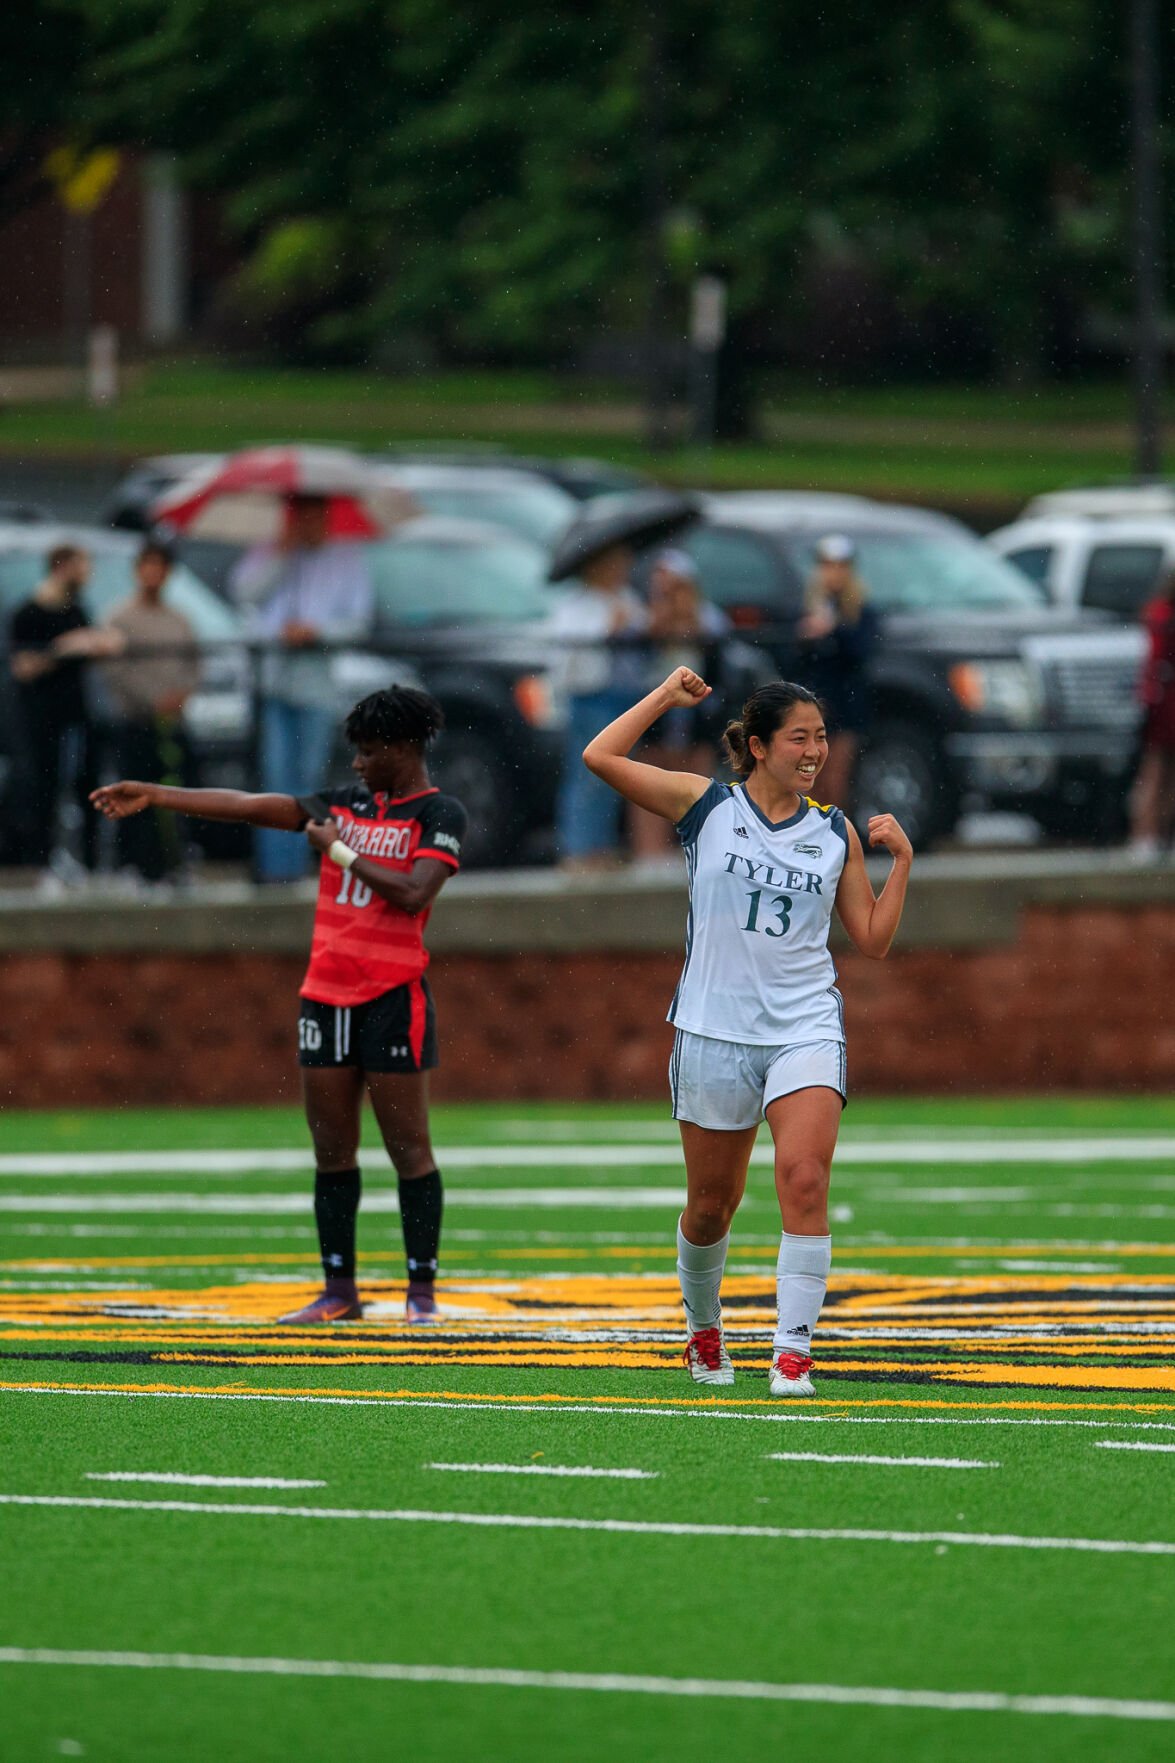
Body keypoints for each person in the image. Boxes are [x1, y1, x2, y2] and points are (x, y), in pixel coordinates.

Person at [92, 686, 467, 1325]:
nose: (357, 765)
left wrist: (340, 851)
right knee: (331, 1152)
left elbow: (412, 893)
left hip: (392, 997)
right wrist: (158, 794)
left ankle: (421, 1294)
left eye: (370, 752)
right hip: (324, 997)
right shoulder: (343, 804)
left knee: (409, 1150)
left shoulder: (440, 813)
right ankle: (339, 1291)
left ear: (404, 750)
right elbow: (249, 807)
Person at [583, 671, 912, 1396]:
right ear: (757, 745)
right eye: (800, 736)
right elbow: (599, 756)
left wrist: (903, 865)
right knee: (710, 1206)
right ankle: (703, 1329)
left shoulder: (833, 831)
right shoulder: (705, 804)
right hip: (712, 1029)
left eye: (821, 736)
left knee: (804, 1178)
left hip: (804, 1026)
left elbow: (872, 938)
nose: (815, 749)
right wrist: (664, 700)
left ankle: (792, 1352)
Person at [230, 493, 375, 882]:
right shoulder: (273, 551)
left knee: (307, 778)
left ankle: (296, 868)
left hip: (315, 684)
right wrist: (281, 553)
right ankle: (274, 870)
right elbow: (245, 593)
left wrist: (317, 632)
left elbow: (359, 621)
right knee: (276, 777)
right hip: (274, 680)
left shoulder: (347, 558)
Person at [8, 543, 122, 892]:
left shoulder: (79, 610)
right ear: (61, 567)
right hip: (41, 719)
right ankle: (43, 864)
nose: (87, 574)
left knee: (88, 788)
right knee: (45, 790)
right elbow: (23, 667)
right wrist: (63, 647)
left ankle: (89, 866)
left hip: (80, 715)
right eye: (81, 566)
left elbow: (99, 645)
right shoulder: (28, 613)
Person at [100, 539, 200, 886]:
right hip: (136, 722)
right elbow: (115, 672)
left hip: (172, 724)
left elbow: (194, 665)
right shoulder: (119, 617)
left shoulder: (180, 620)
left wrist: (180, 696)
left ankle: (175, 862)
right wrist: (149, 699)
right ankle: (135, 865)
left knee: (178, 794)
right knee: (134, 795)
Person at [547, 540, 648, 868]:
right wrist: (609, 626)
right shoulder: (575, 605)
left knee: (614, 777)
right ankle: (579, 849)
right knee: (587, 776)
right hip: (592, 698)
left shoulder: (628, 598)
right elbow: (569, 652)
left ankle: (601, 847)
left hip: (624, 698)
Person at [794, 534, 880, 814]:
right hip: (815, 705)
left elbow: (862, 652)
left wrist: (833, 631)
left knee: (836, 779)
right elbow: (796, 662)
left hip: (846, 705)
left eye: (840, 566)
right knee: (810, 779)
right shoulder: (808, 608)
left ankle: (833, 841)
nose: (834, 573)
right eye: (828, 565)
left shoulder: (861, 611)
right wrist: (807, 637)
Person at [1129, 572, 1175, 861]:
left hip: (1163, 701)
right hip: (1163, 702)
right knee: (1156, 772)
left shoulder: (1157, 612)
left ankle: (1159, 835)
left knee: (1162, 775)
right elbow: (1155, 660)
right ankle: (1145, 835)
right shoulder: (1161, 614)